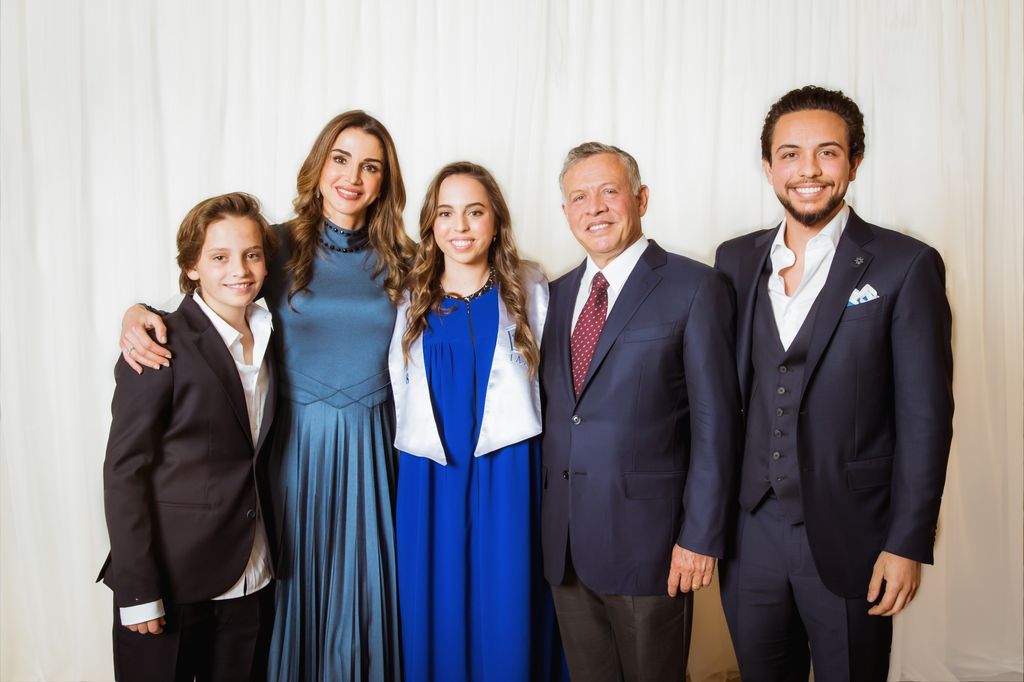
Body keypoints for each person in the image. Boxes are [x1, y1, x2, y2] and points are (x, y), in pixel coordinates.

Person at [118, 111, 415, 681]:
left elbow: (474, 287)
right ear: (320, 164)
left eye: (371, 166)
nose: (353, 176)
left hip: (371, 454)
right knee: (280, 598)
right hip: (290, 452)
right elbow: (206, 298)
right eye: (341, 158)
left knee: (366, 591)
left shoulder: (405, 259)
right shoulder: (273, 245)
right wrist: (138, 314)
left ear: (385, 181)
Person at [715, 85, 954, 681]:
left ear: (854, 163)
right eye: (790, 154)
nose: (809, 170)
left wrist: (907, 542)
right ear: (768, 165)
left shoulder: (905, 264)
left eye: (827, 152)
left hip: (855, 533)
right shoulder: (734, 261)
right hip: (750, 532)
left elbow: (926, 418)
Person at [539, 142, 741, 681]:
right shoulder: (552, 297)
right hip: (565, 544)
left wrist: (700, 535)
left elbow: (716, 423)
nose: (595, 208)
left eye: (610, 192)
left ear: (641, 198)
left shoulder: (695, 287)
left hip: (651, 544)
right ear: (565, 213)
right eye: (579, 197)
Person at [389, 162, 563, 681]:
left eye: (474, 212)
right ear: (430, 223)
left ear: (495, 221)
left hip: (510, 468)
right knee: (436, 593)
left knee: (509, 592)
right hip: (432, 473)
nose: (460, 227)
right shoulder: (407, 297)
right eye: (446, 213)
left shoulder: (529, 290)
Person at [99, 192, 278, 681]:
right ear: (192, 266)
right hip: (171, 583)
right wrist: (138, 593)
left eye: (252, 254)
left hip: (253, 575)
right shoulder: (158, 344)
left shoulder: (270, 338)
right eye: (219, 257)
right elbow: (123, 473)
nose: (239, 269)